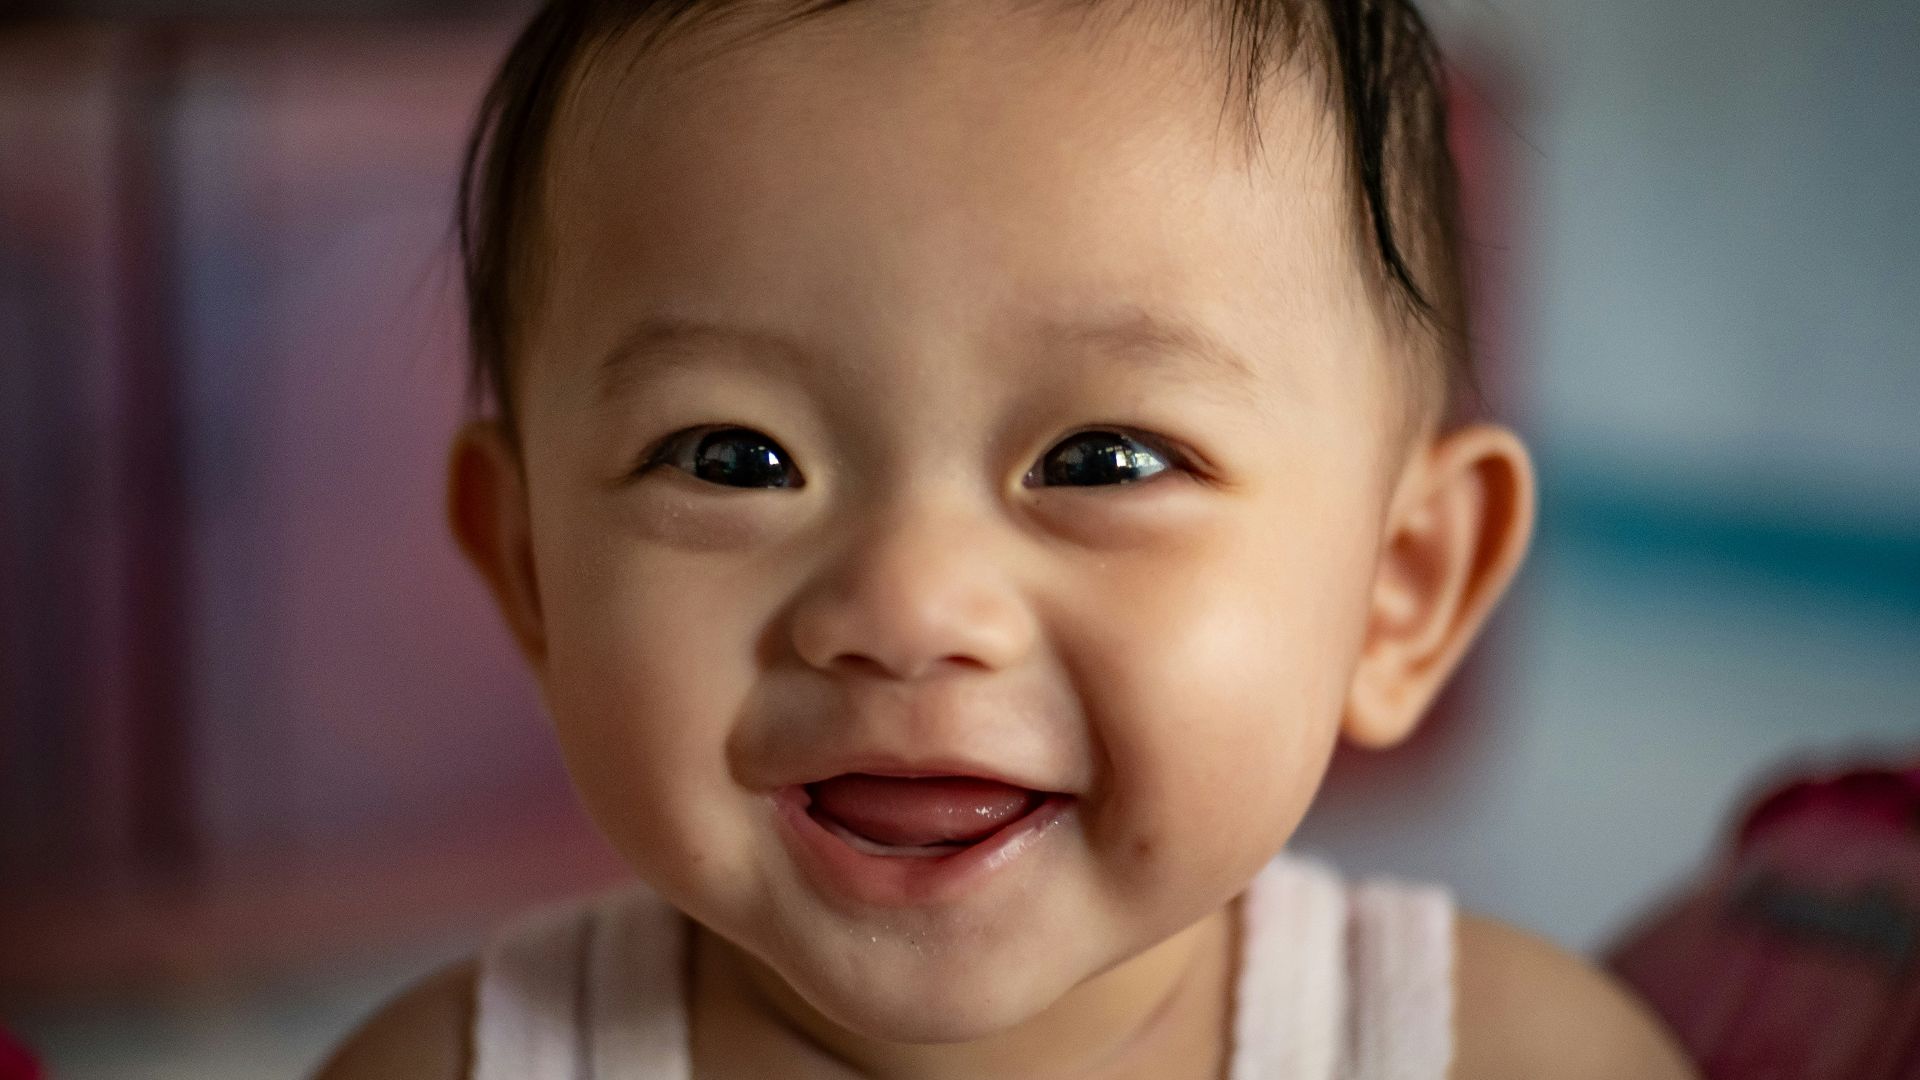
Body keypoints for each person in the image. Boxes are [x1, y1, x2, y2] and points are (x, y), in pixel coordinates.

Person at [317, 0, 1699, 1076]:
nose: (908, 606)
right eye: (738, 460)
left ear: (1402, 590)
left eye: (1102, 461)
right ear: (532, 572)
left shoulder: (1507, 1058)